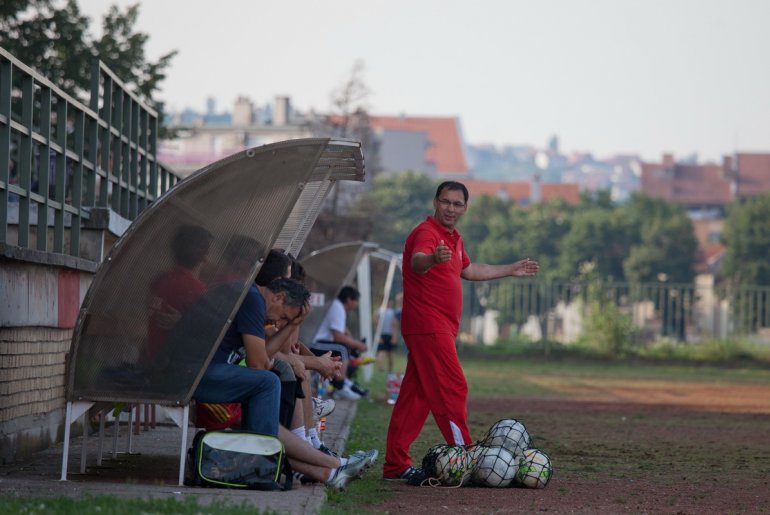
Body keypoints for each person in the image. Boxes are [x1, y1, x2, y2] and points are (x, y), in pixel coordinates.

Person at [382, 181, 540, 485]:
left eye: (457, 204)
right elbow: (417, 262)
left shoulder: (453, 238)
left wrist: (510, 269)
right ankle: (466, 455)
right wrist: (432, 259)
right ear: (435, 202)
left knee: (416, 397)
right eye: (446, 202)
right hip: (428, 326)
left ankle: (395, 465)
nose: (451, 208)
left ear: (465, 208)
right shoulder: (427, 234)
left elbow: (468, 270)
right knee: (453, 386)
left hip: (437, 328)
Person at [311, 286, 369, 400]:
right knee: (342, 349)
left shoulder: (337, 306)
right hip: (314, 343)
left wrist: (353, 342)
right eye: (356, 301)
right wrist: (358, 344)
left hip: (319, 341)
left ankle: (343, 382)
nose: (356, 304)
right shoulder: (337, 307)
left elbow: (343, 331)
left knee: (344, 348)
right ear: (349, 299)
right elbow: (338, 336)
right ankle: (340, 387)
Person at [374, 299, 400, 373]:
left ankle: (389, 371)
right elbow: (376, 324)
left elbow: (394, 325)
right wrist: (378, 336)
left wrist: (394, 337)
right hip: (383, 335)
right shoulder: (379, 312)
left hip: (389, 335)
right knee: (382, 353)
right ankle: (382, 369)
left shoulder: (392, 312)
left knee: (390, 354)